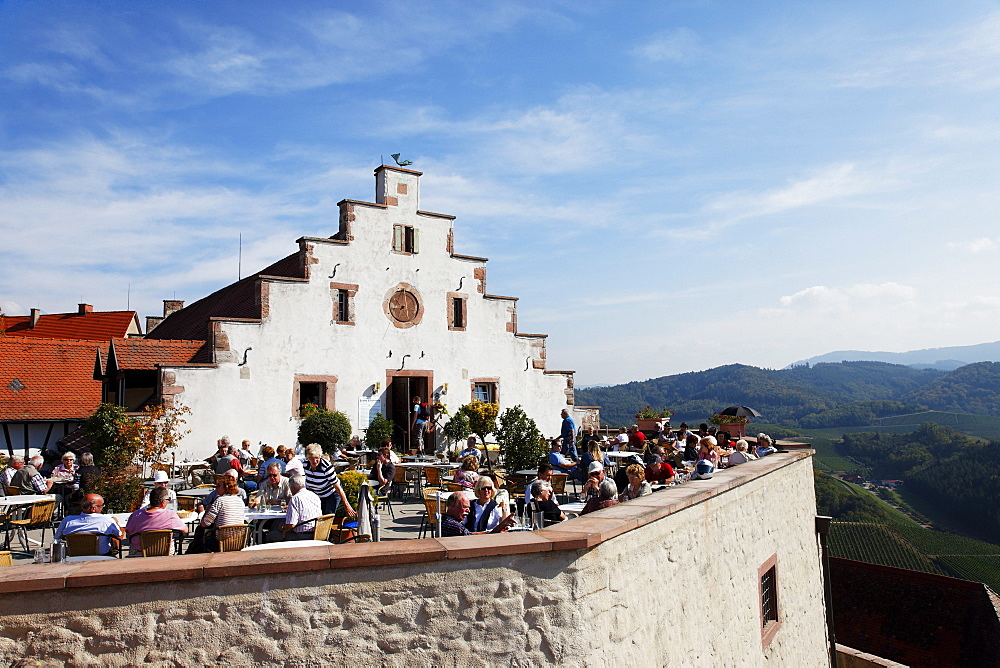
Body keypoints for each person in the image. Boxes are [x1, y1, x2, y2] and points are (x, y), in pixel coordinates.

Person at [124, 486, 187, 556]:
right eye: (168, 499)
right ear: (163, 503)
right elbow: (185, 530)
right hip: (165, 553)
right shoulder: (170, 515)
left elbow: (128, 534)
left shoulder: (136, 515)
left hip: (139, 554)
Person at [55, 494, 121, 556]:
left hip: (75, 556)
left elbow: (57, 537)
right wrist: (116, 523)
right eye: (102, 505)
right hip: (102, 556)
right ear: (93, 508)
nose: (103, 507)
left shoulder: (68, 520)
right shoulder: (106, 519)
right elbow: (118, 534)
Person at [302, 444, 356, 517]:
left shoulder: (326, 466)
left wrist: (346, 505)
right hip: (317, 495)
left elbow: (338, 488)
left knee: (327, 517)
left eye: (317, 458)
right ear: (307, 458)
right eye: (311, 458)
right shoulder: (304, 465)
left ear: (320, 456)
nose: (314, 461)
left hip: (332, 494)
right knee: (315, 516)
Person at [267, 475, 322, 542]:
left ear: (293, 488)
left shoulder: (295, 498)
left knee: (270, 535)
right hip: (316, 533)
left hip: (301, 536)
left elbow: (291, 525)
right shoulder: (314, 495)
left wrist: (282, 527)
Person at [200, 475, 246, 552]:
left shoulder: (220, 501)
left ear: (226, 487)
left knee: (200, 534)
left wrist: (206, 511)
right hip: (238, 541)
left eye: (218, 485)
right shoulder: (240, 501)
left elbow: (205, 523)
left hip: (222, 541)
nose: (216, 488)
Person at [440, 492, 514, 537]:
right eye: (465, 507)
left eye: (468, 508)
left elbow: (470, 534)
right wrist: (501, 526)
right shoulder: (455, 526)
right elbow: (474, 538)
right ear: (453, 505)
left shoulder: (442, 519)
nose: (468, 510)